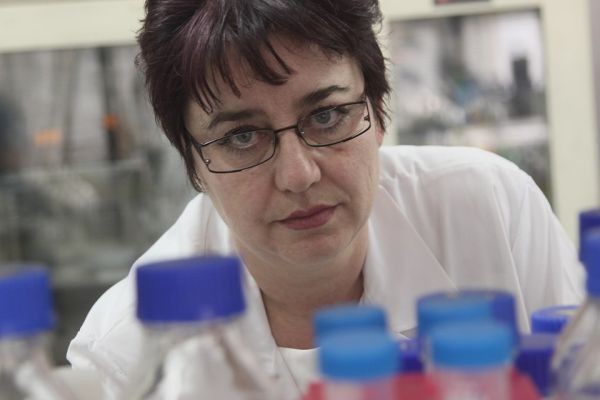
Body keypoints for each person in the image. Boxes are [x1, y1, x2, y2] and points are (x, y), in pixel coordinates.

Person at [67, 0, 584, 397]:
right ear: (194, 165)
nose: (298, 174)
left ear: (377, 113)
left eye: (326, 115)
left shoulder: (488, 205)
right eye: (242, 136)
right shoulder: (129, 352)